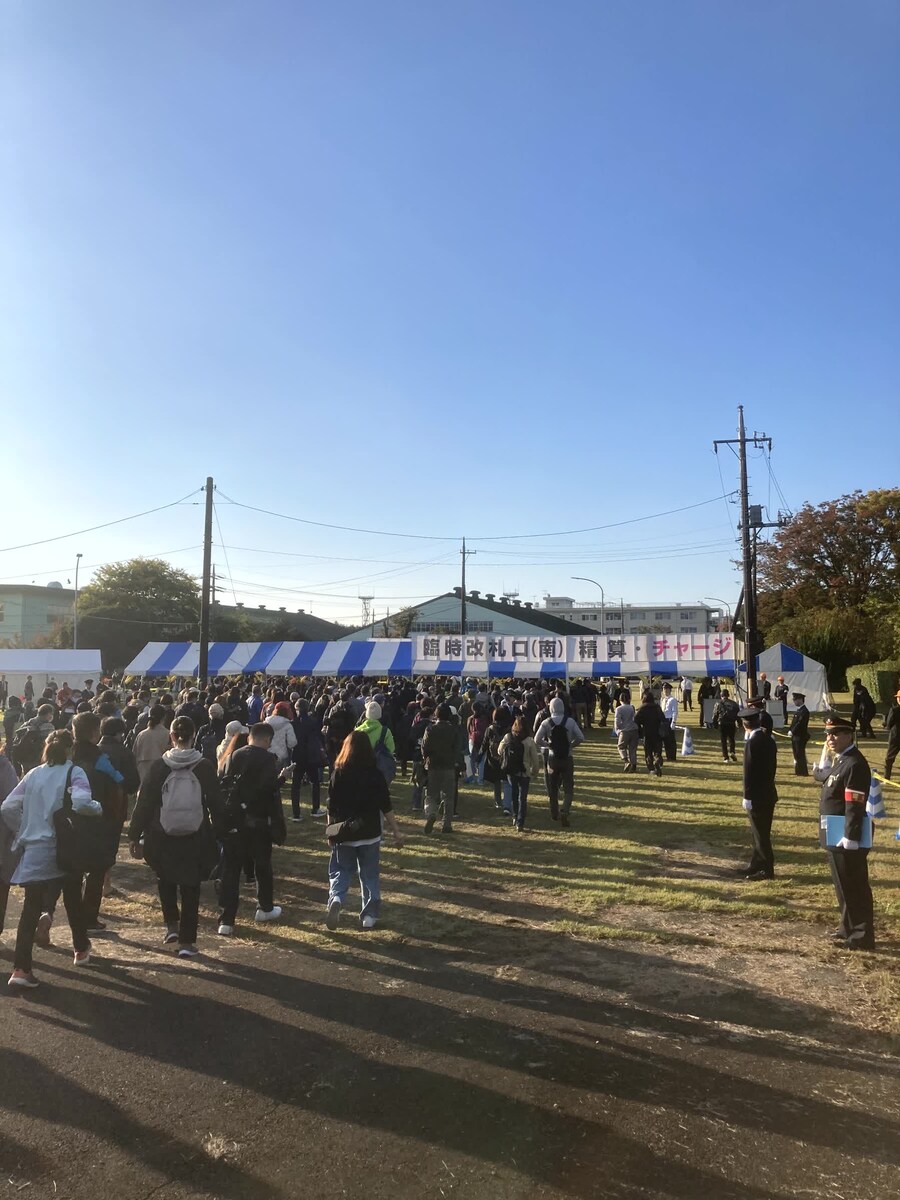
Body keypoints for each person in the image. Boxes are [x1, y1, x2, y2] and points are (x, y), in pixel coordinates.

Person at [1, 729, 99, 988]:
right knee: (73, 898)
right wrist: (97, 809)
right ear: (70, 749)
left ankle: (21, 969)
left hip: (34, 849)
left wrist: (24, 829)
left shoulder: (33, 774)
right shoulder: (74, 772)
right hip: (65, 847)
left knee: (30, 908)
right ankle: (80, 949)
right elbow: (81, 802)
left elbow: (8, 806)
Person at [128, 715, 224, 956]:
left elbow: (145, 803)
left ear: (171, 737)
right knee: (191, 887)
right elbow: (216, 803)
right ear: (194, 736)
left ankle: (171, 924)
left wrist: (134, 834)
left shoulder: (160, 766)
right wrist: (221, 831)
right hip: (196, 831)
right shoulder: (203, 766)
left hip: (162, 832)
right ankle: (187, 941)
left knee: (165, 878)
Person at [324, 730, 403, 930]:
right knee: (369, 875)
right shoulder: (375, 774)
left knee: (340, 870)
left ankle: (337, 898)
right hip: (369, 832)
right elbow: (386, 805)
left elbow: (331, 806)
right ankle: (369, 915)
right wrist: (396, 830)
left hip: (344, 832)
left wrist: (330, 830)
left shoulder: (338, 773)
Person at [217, 722, 286, 935]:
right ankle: (264, 907)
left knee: (230, 870)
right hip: (258, 822)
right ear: (266, 740)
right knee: (262, 866)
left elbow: (223, 784)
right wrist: (282, 778)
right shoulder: (267, 759)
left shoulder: (233, 756)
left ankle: (226, 920)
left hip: (234, 821)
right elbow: (267, 791)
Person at [812, 716, 874, 950]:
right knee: (842, 885)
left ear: (849, 735)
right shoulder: (842, 760)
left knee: (854, 886)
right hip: (834, 831)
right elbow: (828, 779)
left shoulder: (855, 763)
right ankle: (847, 926)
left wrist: (851, 835)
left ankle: (862, 935)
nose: (830, 738)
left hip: (846, 835)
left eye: (836, 733)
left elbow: (854, 803)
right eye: (828, 734)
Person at [739, 704, 778, 881]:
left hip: (757, 795)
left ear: (744, 724)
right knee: (760, 832)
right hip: (768, 792)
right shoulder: (768, 739)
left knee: (761, 834)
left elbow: (748, 772)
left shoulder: (752, 743)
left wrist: (747, 796)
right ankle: (756, 863)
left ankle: (766, 869)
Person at [534, 698, 585, 827]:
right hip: (567, 758)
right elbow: (581, 737)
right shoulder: (570, 721)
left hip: (552, 759)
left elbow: (537, 739)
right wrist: (571, 746)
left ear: (551, 708)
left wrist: (548, 745)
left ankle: (554, 813)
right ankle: (565, 809)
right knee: (568, 787)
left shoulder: (546, 722)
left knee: (553, 787)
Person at [497, 716, 541, 832]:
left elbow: (499, 750)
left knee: (514, 794)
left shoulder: (508, 737)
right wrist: (534, 773)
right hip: (525, 772)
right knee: (523, 798)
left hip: (512, 770)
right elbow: (535, 761)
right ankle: (520, 822)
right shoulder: (529, 741)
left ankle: (515, 816)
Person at [421, 703, 459, 834]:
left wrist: (424, 759)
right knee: (448, 797)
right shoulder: (453, 729)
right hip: (448, 766)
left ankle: (431, 813)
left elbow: (424, 747)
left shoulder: (430, 729)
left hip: (433, 765)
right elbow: (456, 748)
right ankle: (447, 824)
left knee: (431, 795)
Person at [290, 698, 326, 820]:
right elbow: (320, 737)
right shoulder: (313, 722)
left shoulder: (293, 723)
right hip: (311, 755)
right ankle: (315, 808)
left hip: (297, 755)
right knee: (315, 782)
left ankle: (296, 813)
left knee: (296, 785)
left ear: (296, 709)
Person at [10, 704, 57, 776]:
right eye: (51, 714)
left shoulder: (27, 723)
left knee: (27, 776)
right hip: (38, 757)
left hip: (25, 756)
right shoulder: (48, 727)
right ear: (48, 714)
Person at [134, 705, 173, 784]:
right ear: (164, 717)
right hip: (161, 768)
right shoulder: (168, 734)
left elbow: (135, 753)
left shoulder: (141, 734)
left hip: (143, 769)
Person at [635, 690, 665, 777]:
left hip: (646, 733)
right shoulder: (657, 707)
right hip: (657, 732)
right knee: (657, 751)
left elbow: (636, 720)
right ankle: (658, 761)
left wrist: (640, 729)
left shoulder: (642, 708)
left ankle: (651, 768)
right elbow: (663, 719)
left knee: (648, 752)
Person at [265, 701, 297, 768]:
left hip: (267, 753)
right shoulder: (287, 725)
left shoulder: (266, 723)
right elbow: (292, 743)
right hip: (282, 756)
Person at [614, 689, 638, 773]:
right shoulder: (632, 707)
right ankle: (634, 765)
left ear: (620, 700)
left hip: (624, 730)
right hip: (634, 729)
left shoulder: (619, 709)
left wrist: (617, 730)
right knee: (633, 749)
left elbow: (617, 721)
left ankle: (626, 761)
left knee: (621, 747)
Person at [712, 689, 739, 763]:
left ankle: (725, 757)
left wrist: (715, 724)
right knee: (731, 739)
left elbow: (715, 715)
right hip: (731, 723)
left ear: (721, 695)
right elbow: (738, 715)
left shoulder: (718, 703)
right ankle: (732, 751)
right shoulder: (734, 704)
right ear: (728, 695)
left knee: (723, 740)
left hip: (722, 723)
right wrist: (739, 724)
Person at [788, 691, 810, 776]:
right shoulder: (799, 710)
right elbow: (794, 722)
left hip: (800, 736)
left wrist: (793, 731)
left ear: (800, 699)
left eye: (796, 700)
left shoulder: (804, 711)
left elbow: (800, 723)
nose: (794, 702)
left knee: (800, 754)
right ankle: (798, 771)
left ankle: (803, 771)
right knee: (796, 754)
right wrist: (790, 729)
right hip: (795, 736)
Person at [659, 683, 678, 762]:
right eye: (664, 689)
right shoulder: (663, 699)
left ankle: (672, 756)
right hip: (663, 720)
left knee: (670, 740)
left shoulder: (672, 700)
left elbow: (675, 712)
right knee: (665, 739)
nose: (665, 691)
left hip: (669, 719)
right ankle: (668, 756)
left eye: (667, 689)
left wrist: (673, 722)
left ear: (670, 690)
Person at [884, 690, 900, 781]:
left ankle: (887, 777)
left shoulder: (894, 710)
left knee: (889, 758)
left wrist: (886, 726)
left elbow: (889, 724)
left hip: (895, 737)